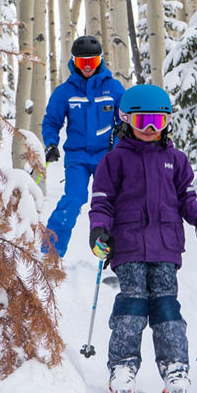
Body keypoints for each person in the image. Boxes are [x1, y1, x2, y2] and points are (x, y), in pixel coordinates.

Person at [88, 84, 197, 393]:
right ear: (126, 121)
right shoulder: (113, 160)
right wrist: (99, 231)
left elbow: (187, 200)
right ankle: (122, 369)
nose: (149, 129)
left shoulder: (176, 160)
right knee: (132, 307)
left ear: (167, 123)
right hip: (128, 245)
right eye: (142, 121)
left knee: (166, 310)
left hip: (165, 247)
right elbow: (101, 203)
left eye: (157, 122)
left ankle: (175, 370)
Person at [42, 35, 125, 257]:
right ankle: (50, 253)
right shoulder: (65, 91)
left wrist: (121, 135)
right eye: (82, 62)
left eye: (92, 61)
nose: (87, 67)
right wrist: (51, 144)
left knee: (110, 201)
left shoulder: (113, 88)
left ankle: (116, 252)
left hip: (105, 158)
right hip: (77, 157)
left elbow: (126, 118)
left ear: (100, 60)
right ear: (74, 62)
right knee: (74, 198)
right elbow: (52, 121)